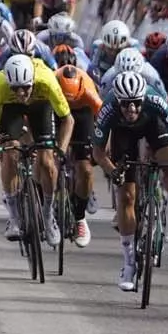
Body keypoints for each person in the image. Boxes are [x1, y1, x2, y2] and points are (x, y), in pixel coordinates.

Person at [92, 70, 168, 290]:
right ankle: (128, 263)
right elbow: (98, 153)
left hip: (152, 124)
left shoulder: (154, 99)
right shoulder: (107, 109)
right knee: (126, 197)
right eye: (126, 104)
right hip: (122, 135)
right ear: (118, 101)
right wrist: (113, 171)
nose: (131, 109)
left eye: (136, 103)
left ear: (143, 99)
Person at [0, 54, 74, 246]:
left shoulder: (47, 81)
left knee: (47, 161)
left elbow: (68, 120)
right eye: (15, 88)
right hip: (12, 109)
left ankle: (48, 214)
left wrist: (61, 149)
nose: (21, 93)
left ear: (32, 81)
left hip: (40, 104)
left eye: (25, 87)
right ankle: (14, 216)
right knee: (10, 153)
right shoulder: (0, 87)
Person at [55, 64, 104, 246]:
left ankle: (80, 218)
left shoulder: (88, 89)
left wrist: (101, 144)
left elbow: (103, 118)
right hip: (56, 110)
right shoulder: (51, 82)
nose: (70, 103)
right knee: (47, 157)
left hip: (84, 113)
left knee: (85, 170)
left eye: (71, 99)